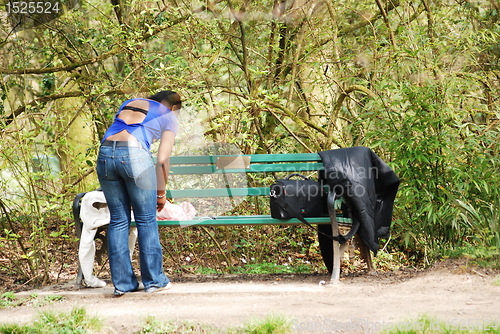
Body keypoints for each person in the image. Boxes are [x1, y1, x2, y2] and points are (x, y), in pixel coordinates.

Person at [96, 90, 181, 295]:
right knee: (146, 219)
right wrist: (161, 194)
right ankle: (155, 281)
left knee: (118, 220)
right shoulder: (169, 114)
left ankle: (123, 284)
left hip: (105, 153)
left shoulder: (130, 102)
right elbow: (162, 159)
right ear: (174, 107)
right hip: (134, 154)